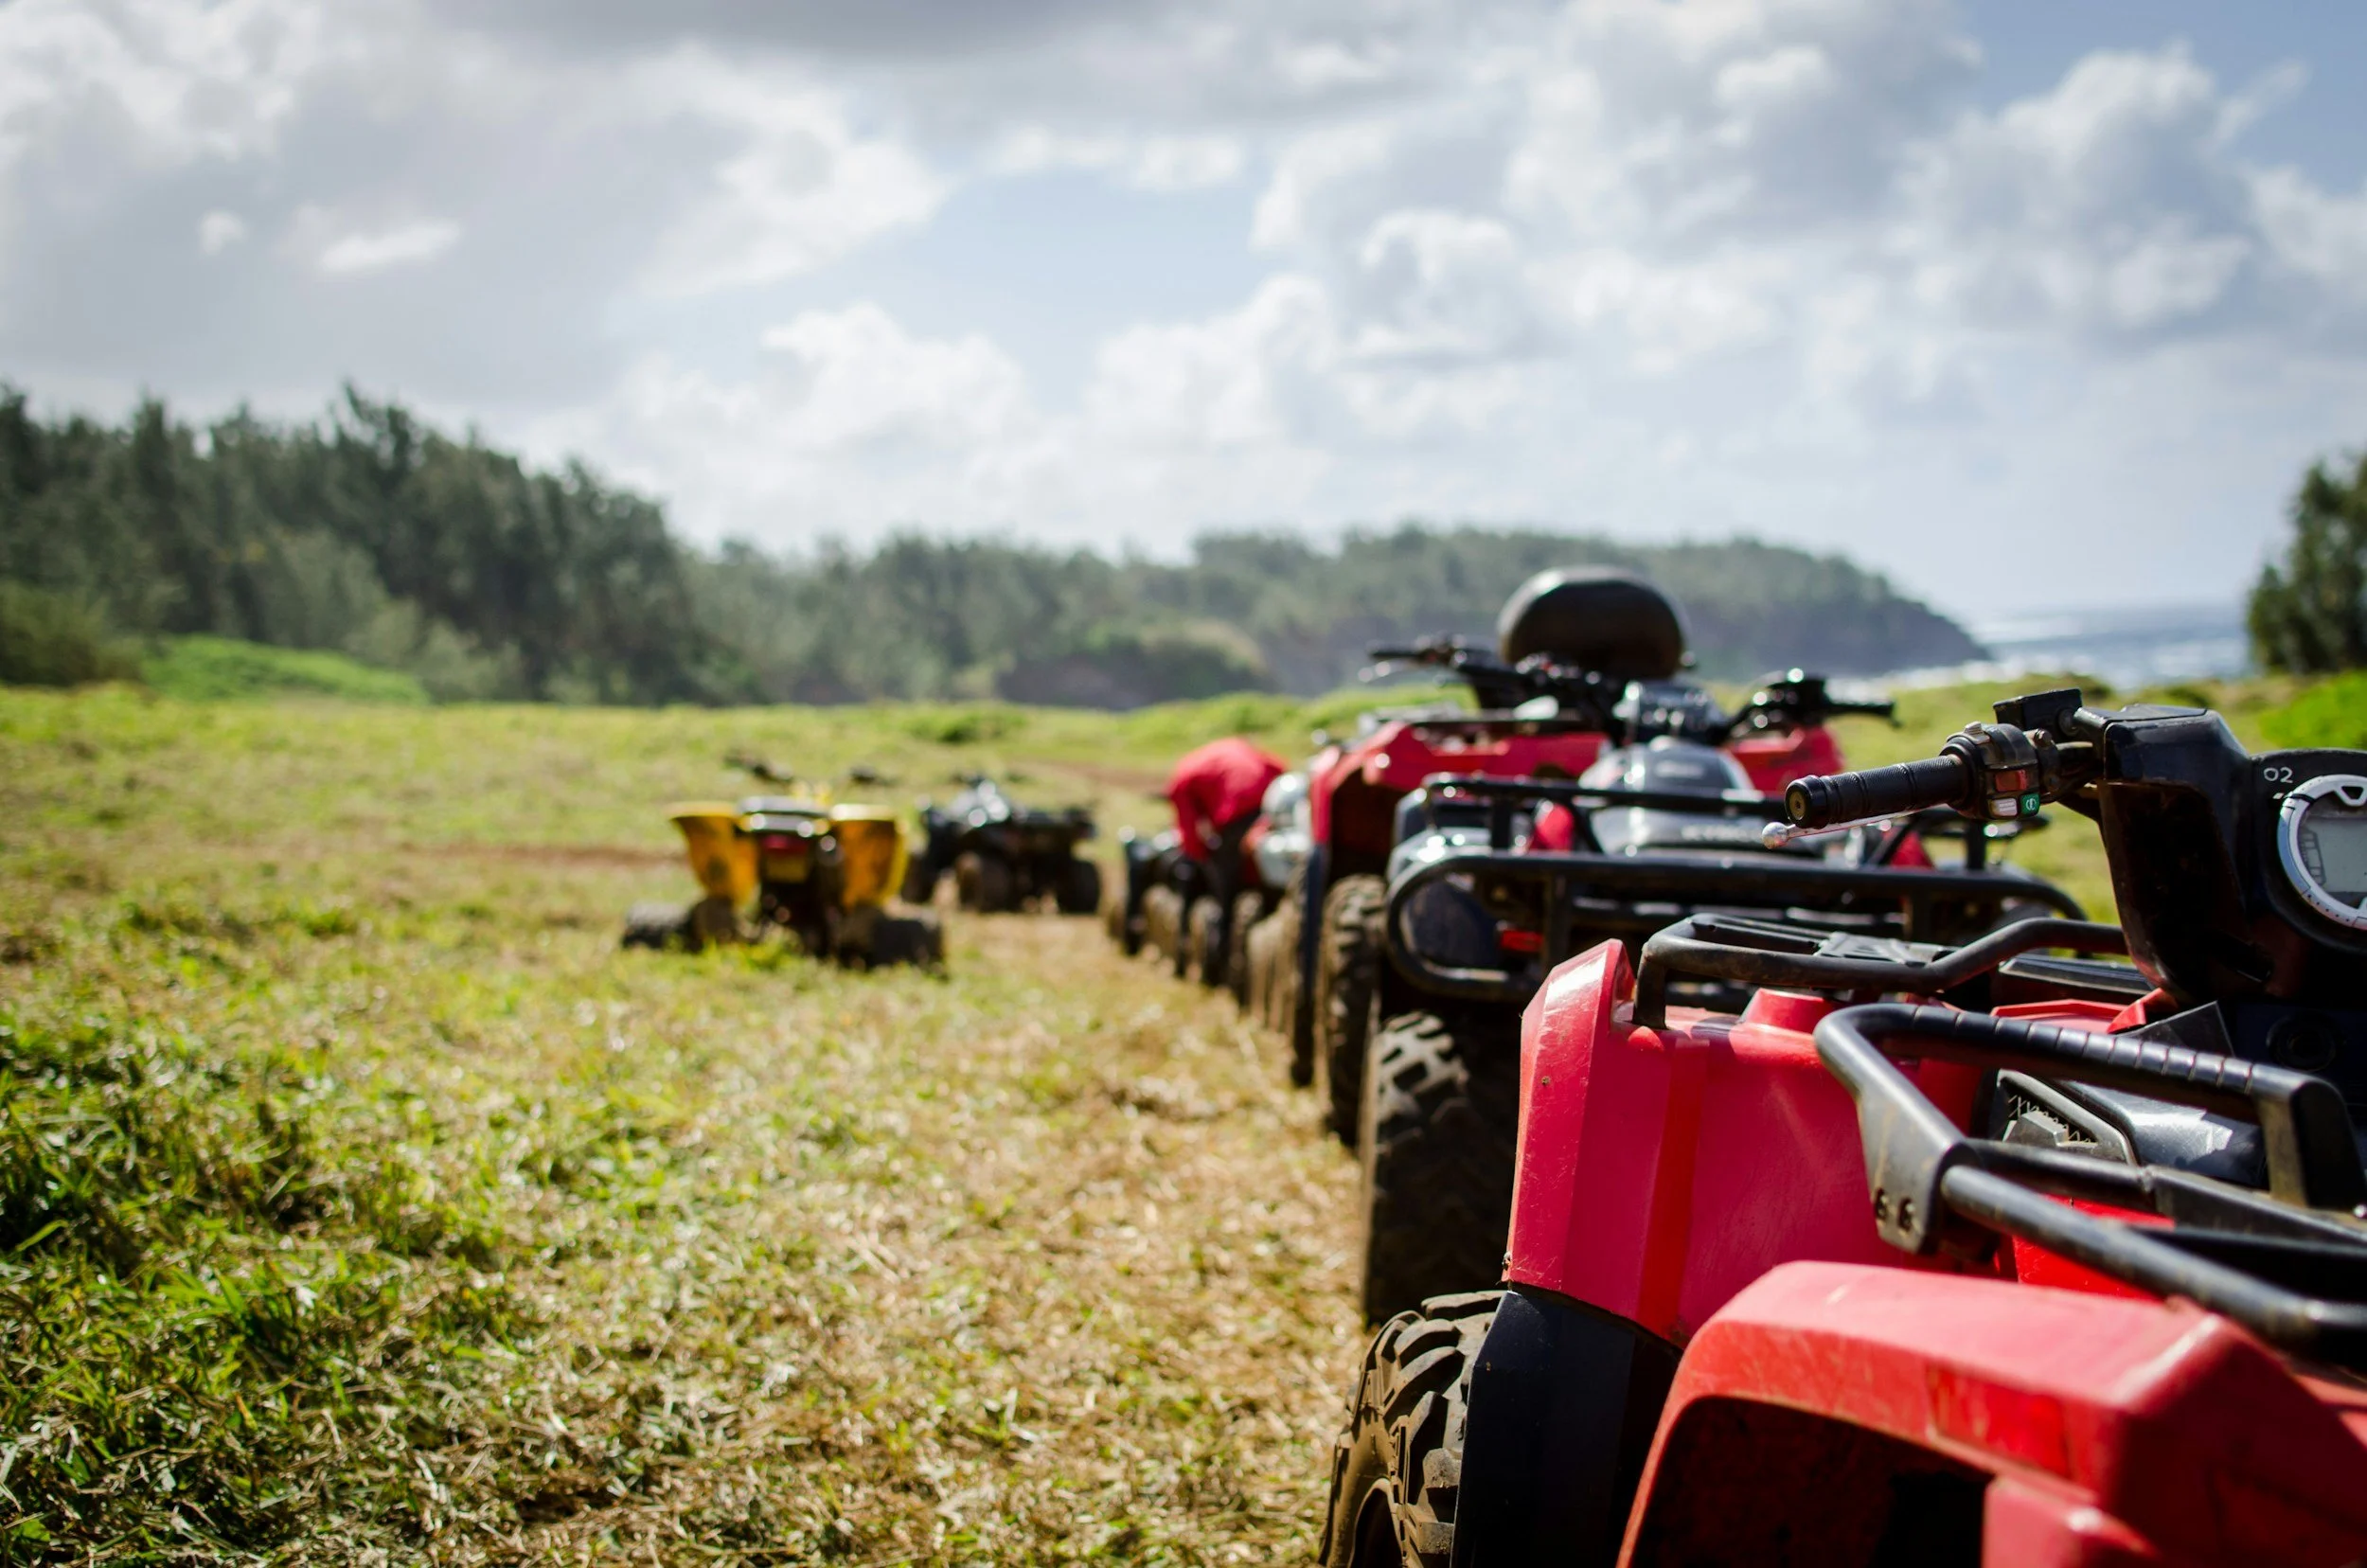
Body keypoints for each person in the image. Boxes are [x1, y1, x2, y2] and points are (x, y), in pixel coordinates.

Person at [1166, 737, 1287, 905]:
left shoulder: (1184, 773)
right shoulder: (1241, 748)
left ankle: (1224, 924)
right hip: (1270, 806)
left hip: (1237, 812)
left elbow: (1188, 830)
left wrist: (1202, 857)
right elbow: (1280, 768)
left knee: (1226, 877)